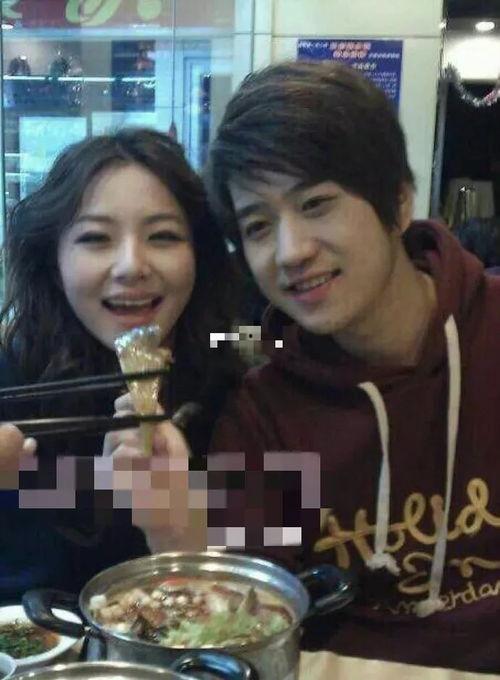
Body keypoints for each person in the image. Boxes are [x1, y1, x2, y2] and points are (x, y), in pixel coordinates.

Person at [204, 61, 500, 672]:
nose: (291, 252)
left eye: (316, 203)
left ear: (399, 202)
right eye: (258, 225)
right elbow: (250, 625)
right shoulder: (262, 417)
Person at [0, 128, 240, 603]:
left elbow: (268, 581)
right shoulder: (16, 369)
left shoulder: (231, 362)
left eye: (163, 236)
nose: (132, 266)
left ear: (200, 256)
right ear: (54, 263)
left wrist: (182, 523)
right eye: (96, 238)